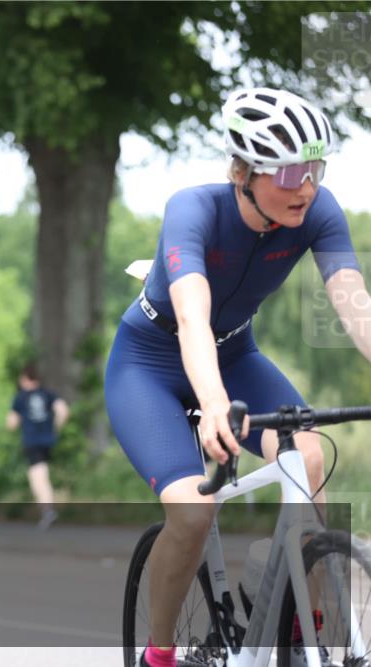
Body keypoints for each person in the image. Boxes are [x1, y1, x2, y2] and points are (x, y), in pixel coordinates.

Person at [104, 88, 371, 667]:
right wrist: (213, 404)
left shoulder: (319, 212)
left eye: (316, 169)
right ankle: (161, 652)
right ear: (244, 172)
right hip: (150, 363)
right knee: (194, 510)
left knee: (311, 459)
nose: (306, 186)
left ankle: (303, 626)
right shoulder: (193, 210)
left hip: (235, 356)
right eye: (292, 171)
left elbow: (353, 303)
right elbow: (193, 319)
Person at [6, 363, 69, 530]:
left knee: (37, 475)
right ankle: (47, 510)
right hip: (48, 440)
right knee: (42, 472)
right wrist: (55, 427)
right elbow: (63, 410)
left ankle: (47, 510)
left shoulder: (20, 397)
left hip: (32, 441)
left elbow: (11, 423)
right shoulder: (47, 394)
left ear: (24, 378)